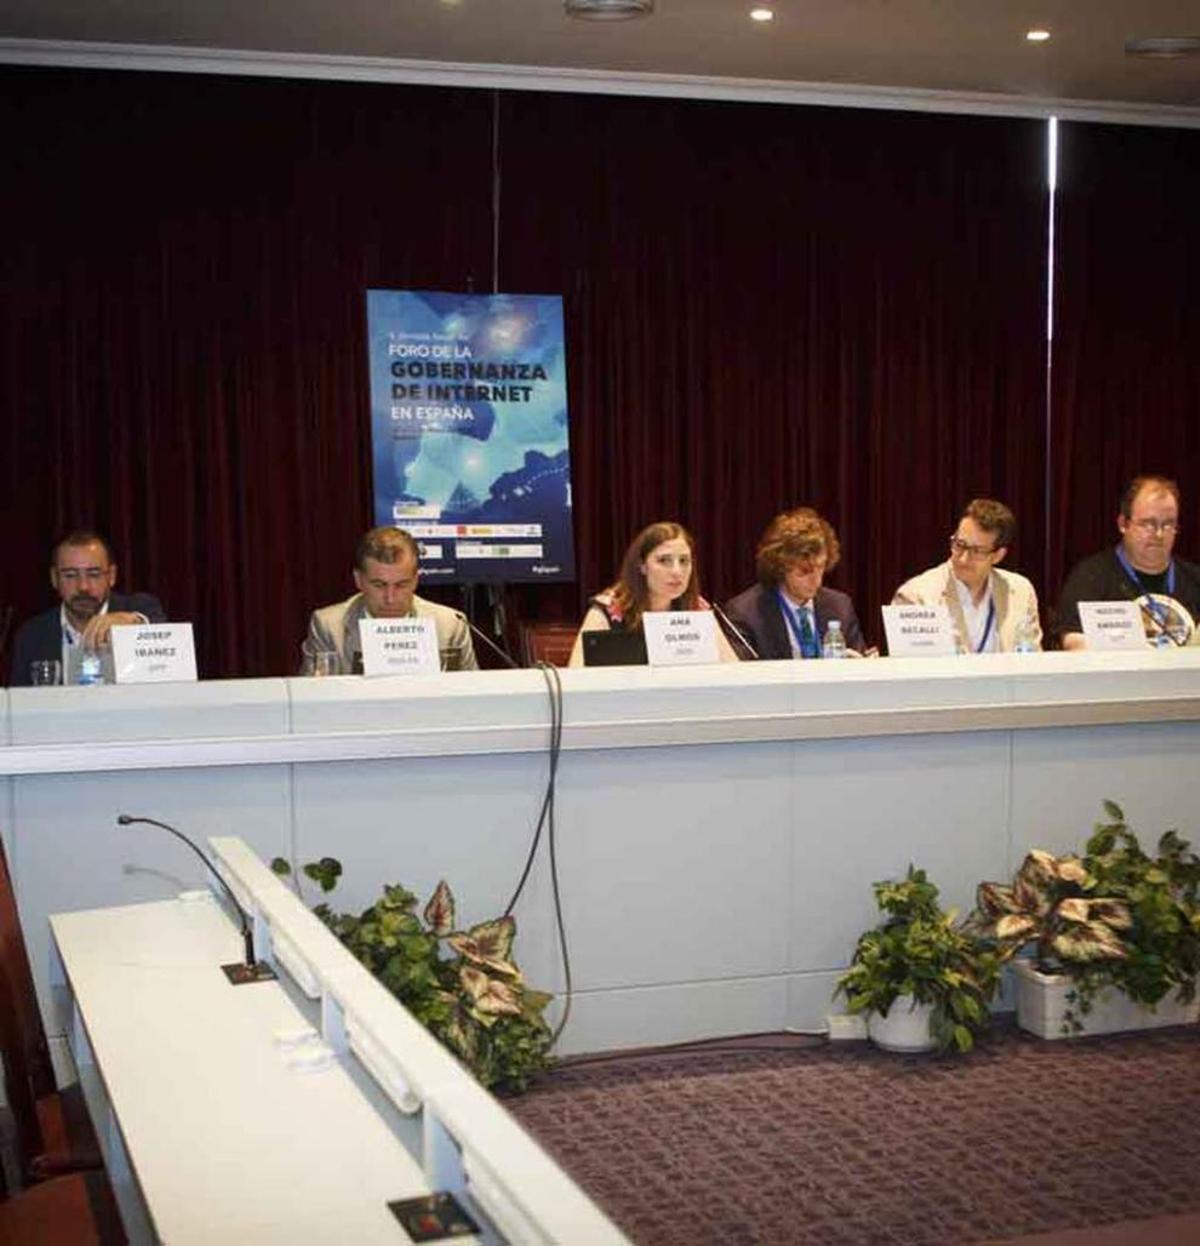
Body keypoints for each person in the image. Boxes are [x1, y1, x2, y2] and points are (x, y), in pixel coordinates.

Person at [1055, 475, 1200, 650]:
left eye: (1168, 524)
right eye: (1148, 524)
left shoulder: (1194, 579)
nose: (1159, 534)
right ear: (1123, 524)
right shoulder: (1090, 578)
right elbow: (1073, 641)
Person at [304, 526, 478, 673]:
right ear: (358, 580)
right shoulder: (328, 626)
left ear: (416, 580)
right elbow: (310, 702)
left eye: (401, 585)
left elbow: (473, 699)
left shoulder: (450, 625)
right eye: (379, 585)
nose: (390, 598)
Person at [567, 521, 739, 666]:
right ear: (642, 565)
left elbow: (733, 671)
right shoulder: (608, 611)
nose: (677, 571)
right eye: (664, 561)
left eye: (684, 561)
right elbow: (575, 677)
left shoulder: (696, 608)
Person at [8, 530, 166, 686]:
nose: (83, 587)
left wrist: (133, 622)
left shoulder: (139, 607)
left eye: (94, 574)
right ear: (55, 579)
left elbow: (162, 632)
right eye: (70, 575)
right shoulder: (32, 635)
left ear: (111, 576)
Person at [892, 498, 1041, 653]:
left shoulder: (1020, 592)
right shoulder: (916, 596)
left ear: (998, 555)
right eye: (959, 545)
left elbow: (1033, 661)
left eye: (977, 551)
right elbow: (908, 670)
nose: (963, 559)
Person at [724, 508, 866, 659]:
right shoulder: (745, 614)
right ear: (781, 567)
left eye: (821, 567)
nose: (816, 580)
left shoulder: (840, 607)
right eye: (804, 571)